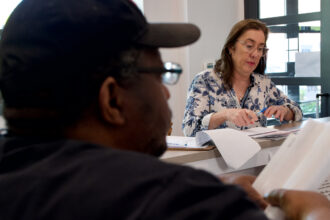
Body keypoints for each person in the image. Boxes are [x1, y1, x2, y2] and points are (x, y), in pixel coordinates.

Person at [0, 0, 328, 219]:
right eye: (160, 75)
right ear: (112, 99)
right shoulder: (178, 201)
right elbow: (191, 125)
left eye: (261, 48)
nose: (165, 94)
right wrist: (315, 212)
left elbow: (292, 109)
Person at [182, 19, 303, 137]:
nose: (255, 54)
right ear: (231, 47)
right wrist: (224, 115)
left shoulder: (263, 83)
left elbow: (297, 112)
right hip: (215, 157)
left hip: (257, 155)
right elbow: (189, 129)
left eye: (260, 49)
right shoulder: (205, 80)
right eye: (249, 46)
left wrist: (286, 111)